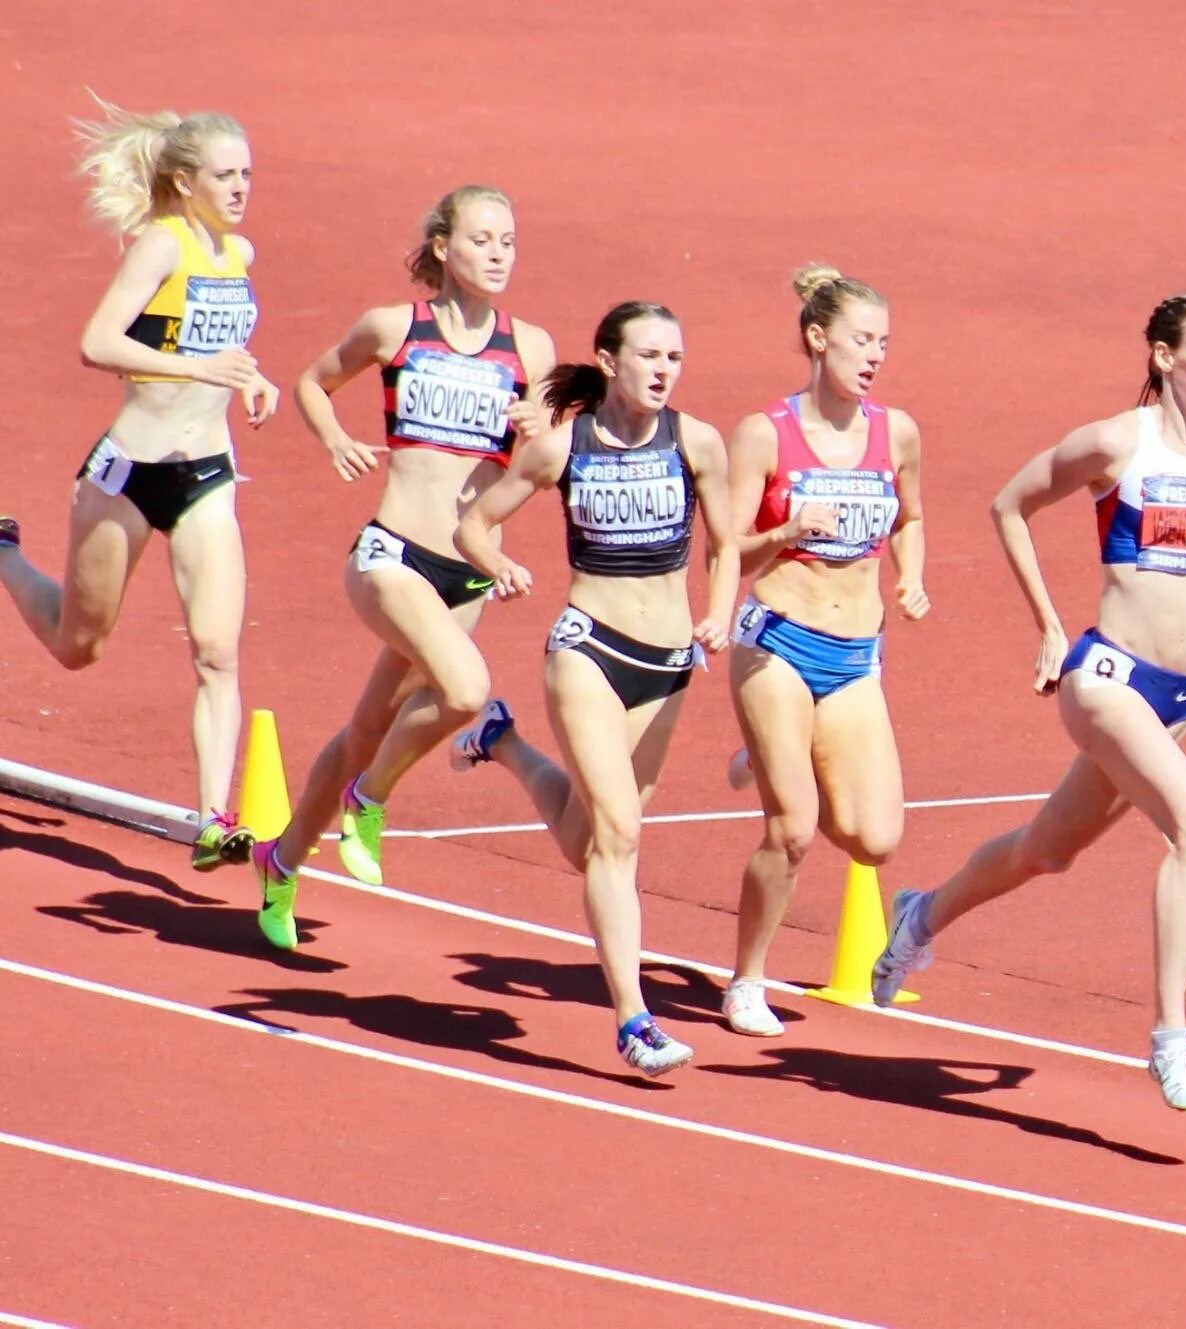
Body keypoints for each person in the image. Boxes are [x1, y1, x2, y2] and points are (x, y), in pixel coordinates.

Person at [870, 291, 1186, 1111]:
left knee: (1048, 849)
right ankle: (1171, 1040)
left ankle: (920, 915)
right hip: (1105, 679)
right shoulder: (1116, 443)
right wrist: (1046, 625)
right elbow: (1009, 505)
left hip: (1180, 698)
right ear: (1162, 356)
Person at [250, 186, 555, 950]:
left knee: (364, 727)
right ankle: (370, 795)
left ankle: (280, 862)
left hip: (467, 573)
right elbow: (312, 382)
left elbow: (544, 462)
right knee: (466, 689)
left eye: (509, 240)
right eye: (483, 238)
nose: (498, 253)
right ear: (444, 246)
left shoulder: (534, 349)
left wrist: (538, 426)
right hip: (391, 551)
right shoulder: (395, 327)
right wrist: (335, 441)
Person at [448, 300, 737, 1076]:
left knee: (590, 842)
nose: (664, 370)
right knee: (620, 837)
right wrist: (498, 563)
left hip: (669, 663)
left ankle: (502, 742)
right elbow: (474, 521)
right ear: (610, 361)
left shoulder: (697, 441)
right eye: (649, 356)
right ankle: (633, 1019)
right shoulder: (563, 447)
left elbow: (728, 539)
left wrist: (718, 613)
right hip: (589, 649)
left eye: (674, 357)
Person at [0, 99, 277, 872]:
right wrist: (201, 368)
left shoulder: (238, 256)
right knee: (77, 646)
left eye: (247, 173)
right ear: (186, 182)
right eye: (225, 175)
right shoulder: (162, 244)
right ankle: (5, 556)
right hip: (126, 474)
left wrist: (253, 380)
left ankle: (215, 819)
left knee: (218, 652)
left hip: (207, 475)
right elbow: (98, 342)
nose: (241, 187)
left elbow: (221, 349)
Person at [720, 264, 929, 1038]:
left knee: (875, 838)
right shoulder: (764, 433)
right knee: (795, 828)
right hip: (776, 639)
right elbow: (728, 551)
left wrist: (911, 577)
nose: (874, 355)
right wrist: (783, 533)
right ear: (817, 339)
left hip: (855, 654)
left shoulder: (895, 431)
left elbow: (909, 515)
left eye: (884, 342)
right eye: (861, 339)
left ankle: (770, 752)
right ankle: (747, 980)